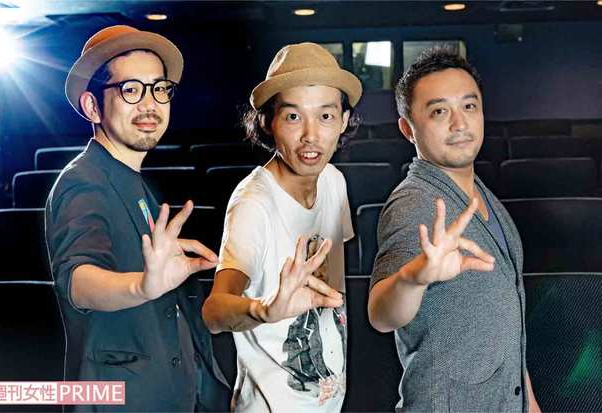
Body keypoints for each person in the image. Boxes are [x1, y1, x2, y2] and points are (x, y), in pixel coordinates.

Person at [201, 42, 493, 412]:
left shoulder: (333, 181)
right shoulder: (253, 204)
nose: (311, 135)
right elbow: (214, 312)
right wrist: (264, 310)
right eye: (293, 117)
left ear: (343, 121)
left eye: (325, 116)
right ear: (267, 122)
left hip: (327, 400)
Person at [45, 25, 229, 412]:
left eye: (159, 89)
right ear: (92, 106)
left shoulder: (130, 178)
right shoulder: (83, 182)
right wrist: (142, 286)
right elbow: (78, 279)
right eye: (131, 90)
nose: (150, 104)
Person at [367, 47, 541, 412]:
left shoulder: (479, 192)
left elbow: (505, 326)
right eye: (439, 111)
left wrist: (529, 403)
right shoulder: (415, 204)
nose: (460, 124)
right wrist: (414, 277)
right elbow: (381, 314)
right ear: (407, 129)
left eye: (469, 106)